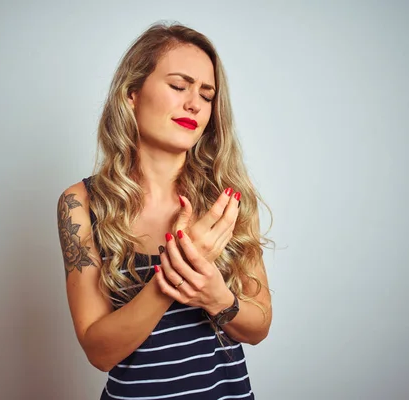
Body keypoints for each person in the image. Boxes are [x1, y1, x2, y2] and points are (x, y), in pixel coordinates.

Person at [57, 21, 273, 400]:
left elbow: (259, 326)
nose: (194, 103)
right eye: (178, 86)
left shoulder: (229, 199)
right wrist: (178, 270)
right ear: (132, 94)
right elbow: (99, 351)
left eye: (207, 95)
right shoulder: (81, 203)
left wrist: (217, 297)